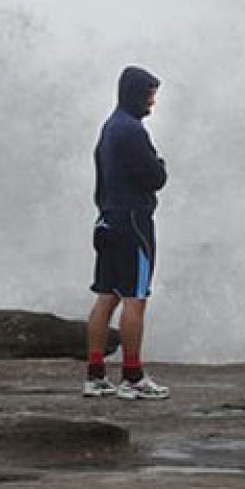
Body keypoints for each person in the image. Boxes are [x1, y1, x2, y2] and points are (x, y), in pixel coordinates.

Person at [83, 65, 171, 400]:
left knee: (107, 295)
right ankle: (132, 377)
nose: (152, 101)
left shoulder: (109, 128)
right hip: (133, 220)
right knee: (136, 297)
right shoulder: (132, 131)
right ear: (135, 92)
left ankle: (94, 376)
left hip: (106, 219)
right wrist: (160, 166)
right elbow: (156, 177)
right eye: (149, 94)